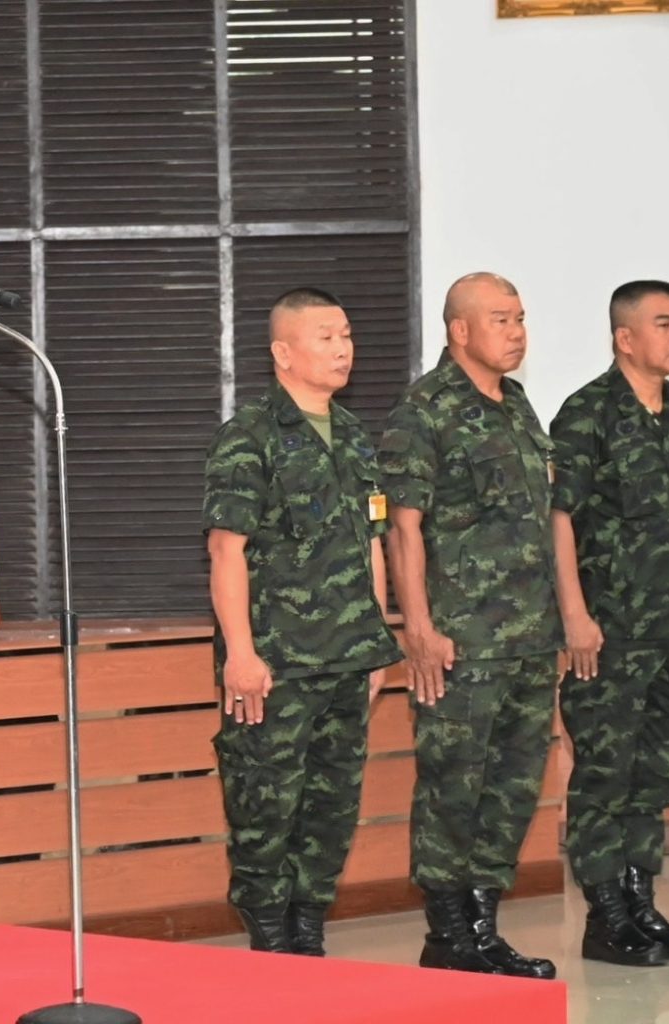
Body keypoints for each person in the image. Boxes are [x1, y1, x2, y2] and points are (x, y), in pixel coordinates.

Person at [204, 288, 403, 957]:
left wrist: (376, 645)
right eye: (325, 337)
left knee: (332, 805)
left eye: (346, 335)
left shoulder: (353, 435)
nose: (343, 348)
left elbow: (372, 544)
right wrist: (240, 654)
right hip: (277, 662)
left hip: (348, 657)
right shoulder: (250, 436)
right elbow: (226, 551)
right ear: (283, 353)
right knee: (265, 804)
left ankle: (309, 926)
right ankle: (268, 933)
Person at [378, 272, 560, 979]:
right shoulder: (425, 410)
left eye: (520, 318)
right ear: (460, 331)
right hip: (462, 642)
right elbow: (403, 528)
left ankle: (483, 929)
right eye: (501, 319)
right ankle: (448, 932)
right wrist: (419, 629)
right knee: (453, 787)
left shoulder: (516, 404)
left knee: (512, 788)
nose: (517, 332)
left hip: (529, 638)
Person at [550, 279, 669, 967]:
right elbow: (559, 519)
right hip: (611, 629)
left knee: (654, 771)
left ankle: (639, 900)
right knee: (604, 769)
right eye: (664, 323)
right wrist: (574, 614)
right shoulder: (588, 413)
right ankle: (604, 915)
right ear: (626, 338)